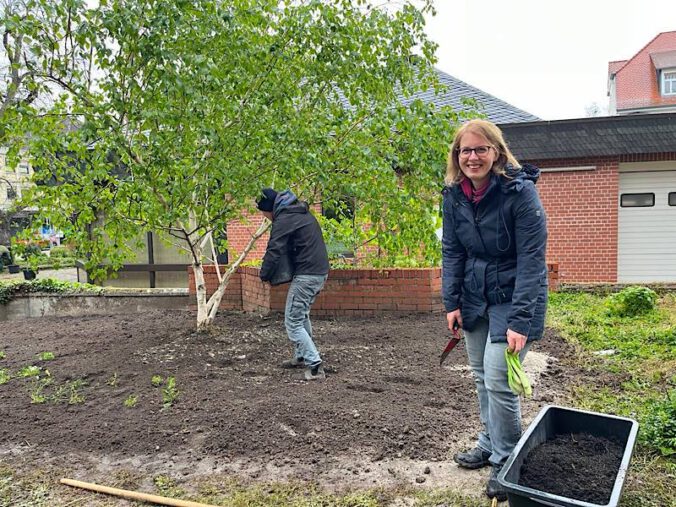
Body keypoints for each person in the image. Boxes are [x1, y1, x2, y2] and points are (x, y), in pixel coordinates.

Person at [441, 119, 548, 501]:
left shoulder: (520, 194)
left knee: (499, 379)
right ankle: (489, 442)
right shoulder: (454, 195)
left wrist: (521, 320)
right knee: (480, 375)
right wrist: (451, 301)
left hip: (514, 297)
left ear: (497, 152)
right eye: (465, 150)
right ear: (457, 156)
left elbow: (533, 261)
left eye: (480, 149)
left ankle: (507, 459)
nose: (473, 157)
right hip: (474, 295)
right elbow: (452, 250)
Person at [257, 188, 330, 381]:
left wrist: (264, 274)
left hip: (307, 274)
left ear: (269, 209)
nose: (265, 217)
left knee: (293, 321)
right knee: (301, 314)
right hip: (318, 271)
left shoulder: (284, 219)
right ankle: (301, 355)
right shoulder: (298, 211)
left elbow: (275, 249)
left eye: (264, 213)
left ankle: (315, 366)